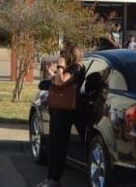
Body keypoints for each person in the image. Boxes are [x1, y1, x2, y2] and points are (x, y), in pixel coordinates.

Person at [41, 44, 85, 187]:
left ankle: (55, 180)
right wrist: (52, 73)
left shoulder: (76, 67)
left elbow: (61, 81)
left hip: (67, 111)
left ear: (71, 55)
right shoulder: (69, 68)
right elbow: (57, 81)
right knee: (53, 144)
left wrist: (60, 67)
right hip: (57, 109)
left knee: (59, 145)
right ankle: (50, 178)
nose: (61, 55)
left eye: (64, 53)